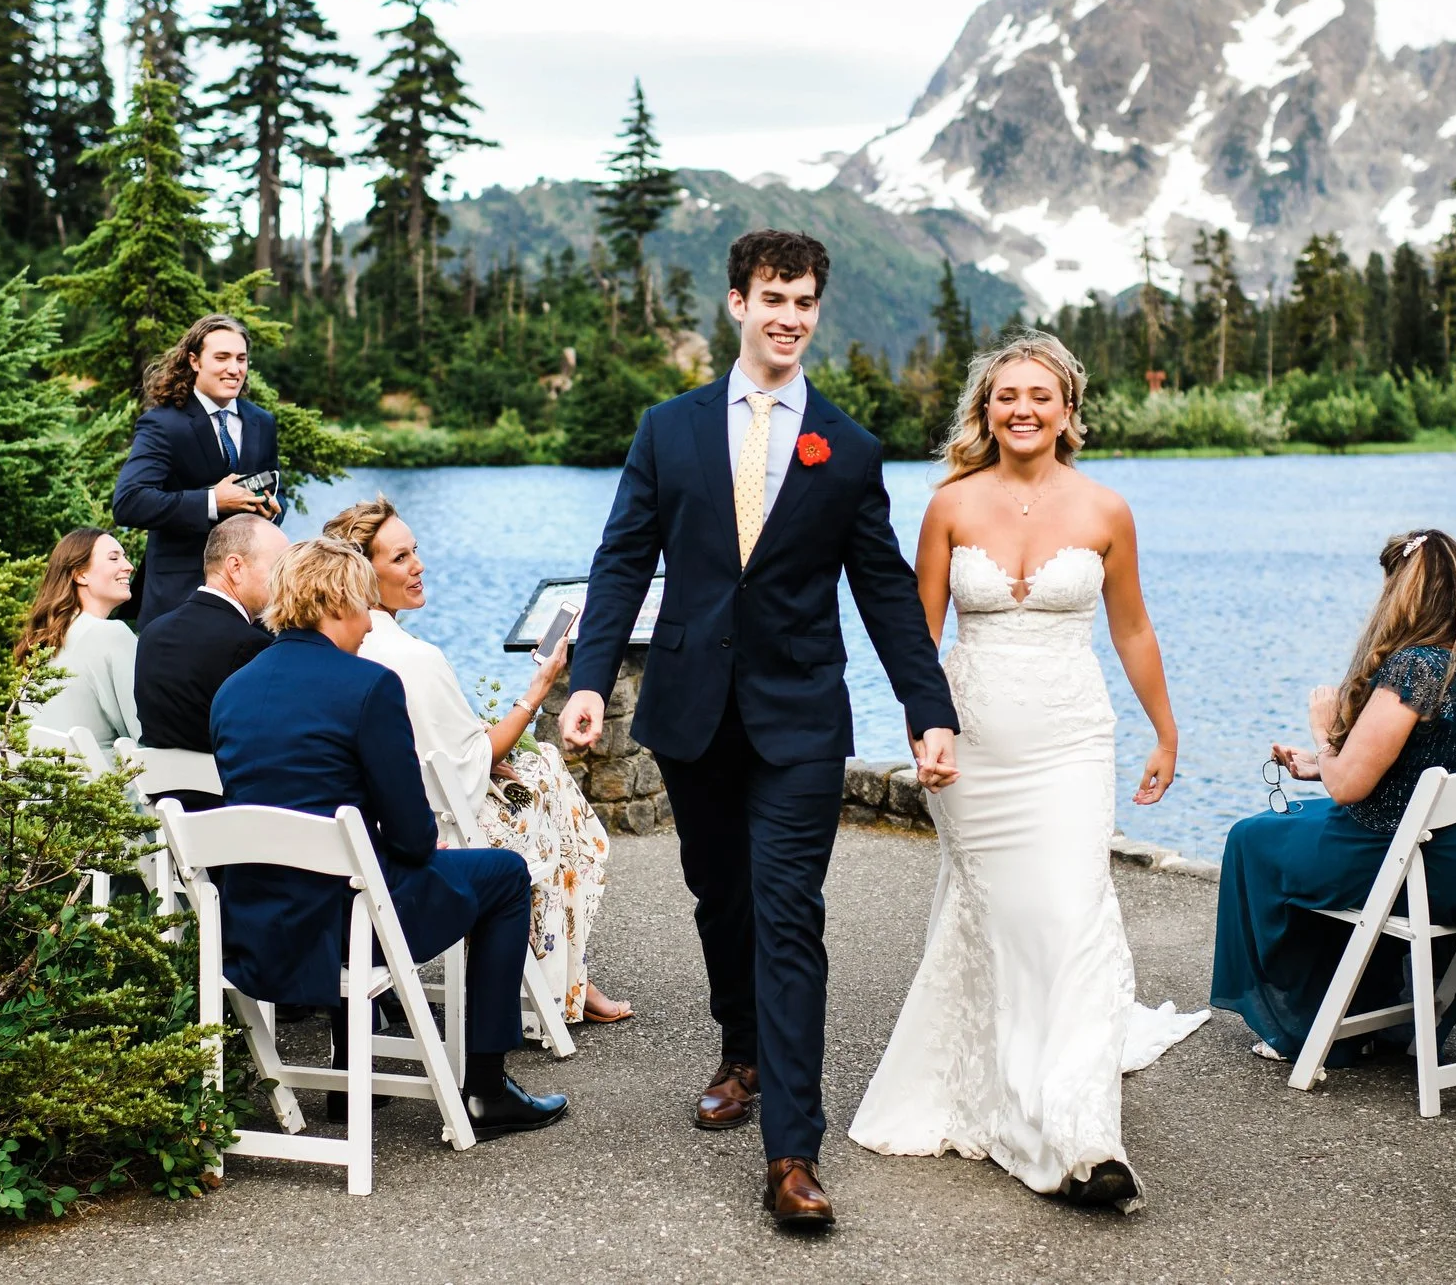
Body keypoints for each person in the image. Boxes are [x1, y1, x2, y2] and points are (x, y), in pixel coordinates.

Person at [560, 229, 959, 1230]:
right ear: (736, 303)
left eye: (805, 300)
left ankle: (792, 1150)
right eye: (772, 296)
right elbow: (621, 564)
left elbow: (883, 590)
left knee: (789, 914)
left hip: (798, 717)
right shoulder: (670, 428)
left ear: (816, 311)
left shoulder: (848, 446)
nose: (788, 315)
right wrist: (589, 677)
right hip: (691, 710)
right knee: (722, 899)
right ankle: (740, 1048)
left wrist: (928, 706)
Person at [850, 332, 1203, 1211]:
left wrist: (1165, 731)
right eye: (1007, 394)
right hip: (974, 748)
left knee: (1071, 909)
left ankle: (1082, 1133)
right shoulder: (950, 506)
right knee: (1006, 916)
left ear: (1068, 408)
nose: (1022, 408)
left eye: (1040, 395)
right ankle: (1003, 1078)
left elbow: (1132, 630)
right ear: (985, 408)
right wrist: (922, 729)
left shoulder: (1105, 509)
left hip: (1072, 740)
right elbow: (915, 636)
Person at [209, 536, 567, 1140]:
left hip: (256, 925)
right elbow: (413, 837)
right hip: (348, 925)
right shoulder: (368, 686)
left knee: (350, 872)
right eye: (365, 606)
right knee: (501, 875)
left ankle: (353, 1089)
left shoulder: (232, 691)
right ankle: (485, 1087)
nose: (370, 624)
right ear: (339, 602)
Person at [1212, 530, 1456, 1071]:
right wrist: (1325, 765)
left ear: (1405, 591)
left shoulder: (1419, 669)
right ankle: (1366, 1011)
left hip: (1413, 863)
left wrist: (1323, 734)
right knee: (1308, 819)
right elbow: (1438, 761)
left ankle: (1309, 1023)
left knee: (1254, 837)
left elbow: (1349, 788)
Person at [324, 495, 630, 1027]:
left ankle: (567, 976)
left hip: (369, 820)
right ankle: (558, 984)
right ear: (360, 572)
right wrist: (537, 690)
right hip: (434, 826)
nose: (418, 566)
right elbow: (473, 758)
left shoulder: (330, 648)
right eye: (399, 559)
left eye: (415, 551)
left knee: (540, 775)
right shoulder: (413, 659)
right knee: (549, 792)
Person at [113, 314, 282, 623]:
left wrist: (272, 512)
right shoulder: (163, 423)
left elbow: (275, 491)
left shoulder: (262, 422)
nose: (234, 369)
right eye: (222, 358)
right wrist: (212, 501)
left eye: (241, 359)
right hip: (179, 601)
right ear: (194, 361)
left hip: (252, 605)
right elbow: (129, 502)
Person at [132, 513, 287, 809]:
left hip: (166, 808)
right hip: (223, 812)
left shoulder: (153, 632)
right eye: (278, 567)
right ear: (235, 567)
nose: (286, 581)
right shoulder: (250, 646)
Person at [15, 527, 142, 754]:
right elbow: (143, 729)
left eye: (125, 557)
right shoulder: (111, 633)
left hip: (45, 785)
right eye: (114, 558)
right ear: (80, 574)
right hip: (107, 783)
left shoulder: (45, 640)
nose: (129, 566)